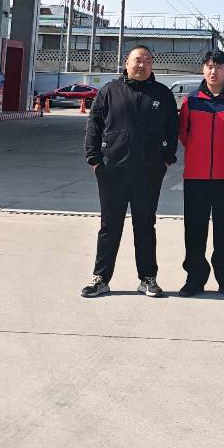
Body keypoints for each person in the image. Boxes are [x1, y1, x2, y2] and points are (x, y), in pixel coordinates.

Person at [81, 45, 178, 298]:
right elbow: (94, 126)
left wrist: (166, 160)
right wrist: (94, 160)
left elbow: (172, 128)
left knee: (145, 224)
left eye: (147, 60)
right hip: (112, 170)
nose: (142, 64)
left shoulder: (162, 94)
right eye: (137, 60)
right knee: (109, 225)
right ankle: (101, 278)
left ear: (152, 65)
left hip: (149, 171)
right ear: (126, 63)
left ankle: (148, 278)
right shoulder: (109, 91)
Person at [177, 50, 224, 298]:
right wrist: (198, 154)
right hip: (195, 176)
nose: (213, 71)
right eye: (209, 66)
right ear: (203, 69)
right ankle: (195, 279)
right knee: (194, 230)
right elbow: (184, 133)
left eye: (219, 67)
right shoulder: (191, 100)